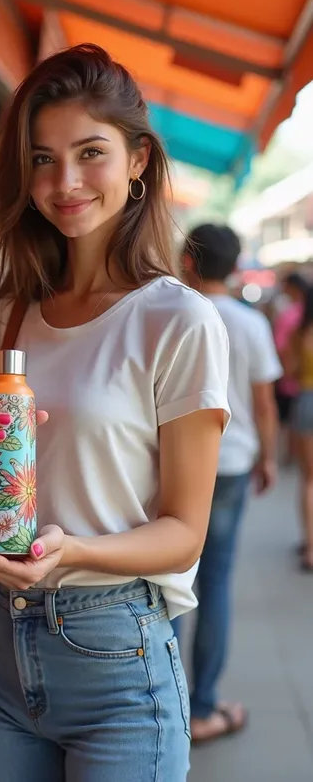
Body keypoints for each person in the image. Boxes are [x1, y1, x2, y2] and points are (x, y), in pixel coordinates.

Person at [0, 45, 230, 782]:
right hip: (2, 655)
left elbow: (183, 534)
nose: (62, 183)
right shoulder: (14, 312)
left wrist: (72, 554)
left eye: (89, 153)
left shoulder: (179, 320)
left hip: (117, 658)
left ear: (138, 159)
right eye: (42, 158)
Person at [182, 223, 281, 744]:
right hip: (233, 462)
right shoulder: (249, 322)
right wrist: (268, 457)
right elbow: (264, 401)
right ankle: (202, 707)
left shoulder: (175, 314)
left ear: (189, 260)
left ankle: (168, 702)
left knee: (171, 582)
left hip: (175, 466)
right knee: (215, 582)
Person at [285, 284, 313, 571]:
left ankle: (310, 547)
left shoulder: (300, 333)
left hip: (307, 400)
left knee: (309, 479)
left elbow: (289, 371)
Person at [273, 272, 308, 463]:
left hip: (291, 381)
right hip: (303, 383)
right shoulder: (300, 315)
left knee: (288, 421)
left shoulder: (287, 316)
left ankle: (291, 454)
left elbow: (280, 348)